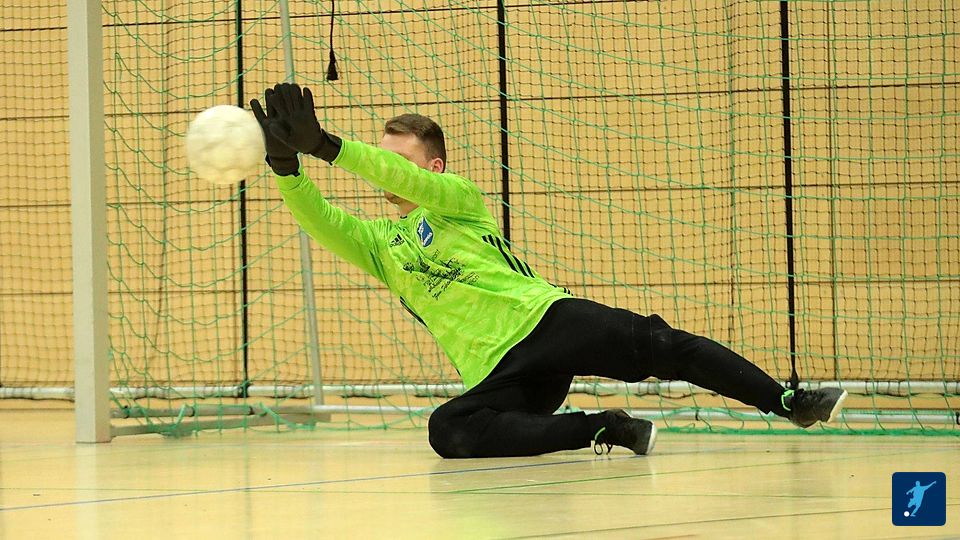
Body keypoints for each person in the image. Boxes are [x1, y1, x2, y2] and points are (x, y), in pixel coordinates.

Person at [250, 83, 848, 459]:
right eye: (381, 157)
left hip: (543, 319)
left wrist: (327, 146)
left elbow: (395, 176)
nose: (385, 170)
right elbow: (321, 219)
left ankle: (787, 400)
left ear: (432, 167)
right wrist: (286, 167)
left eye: (398, 159)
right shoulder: (380, 245)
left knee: (662, 345)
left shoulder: (455, 198)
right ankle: (603, 429)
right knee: (449, 430)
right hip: (498, 371)